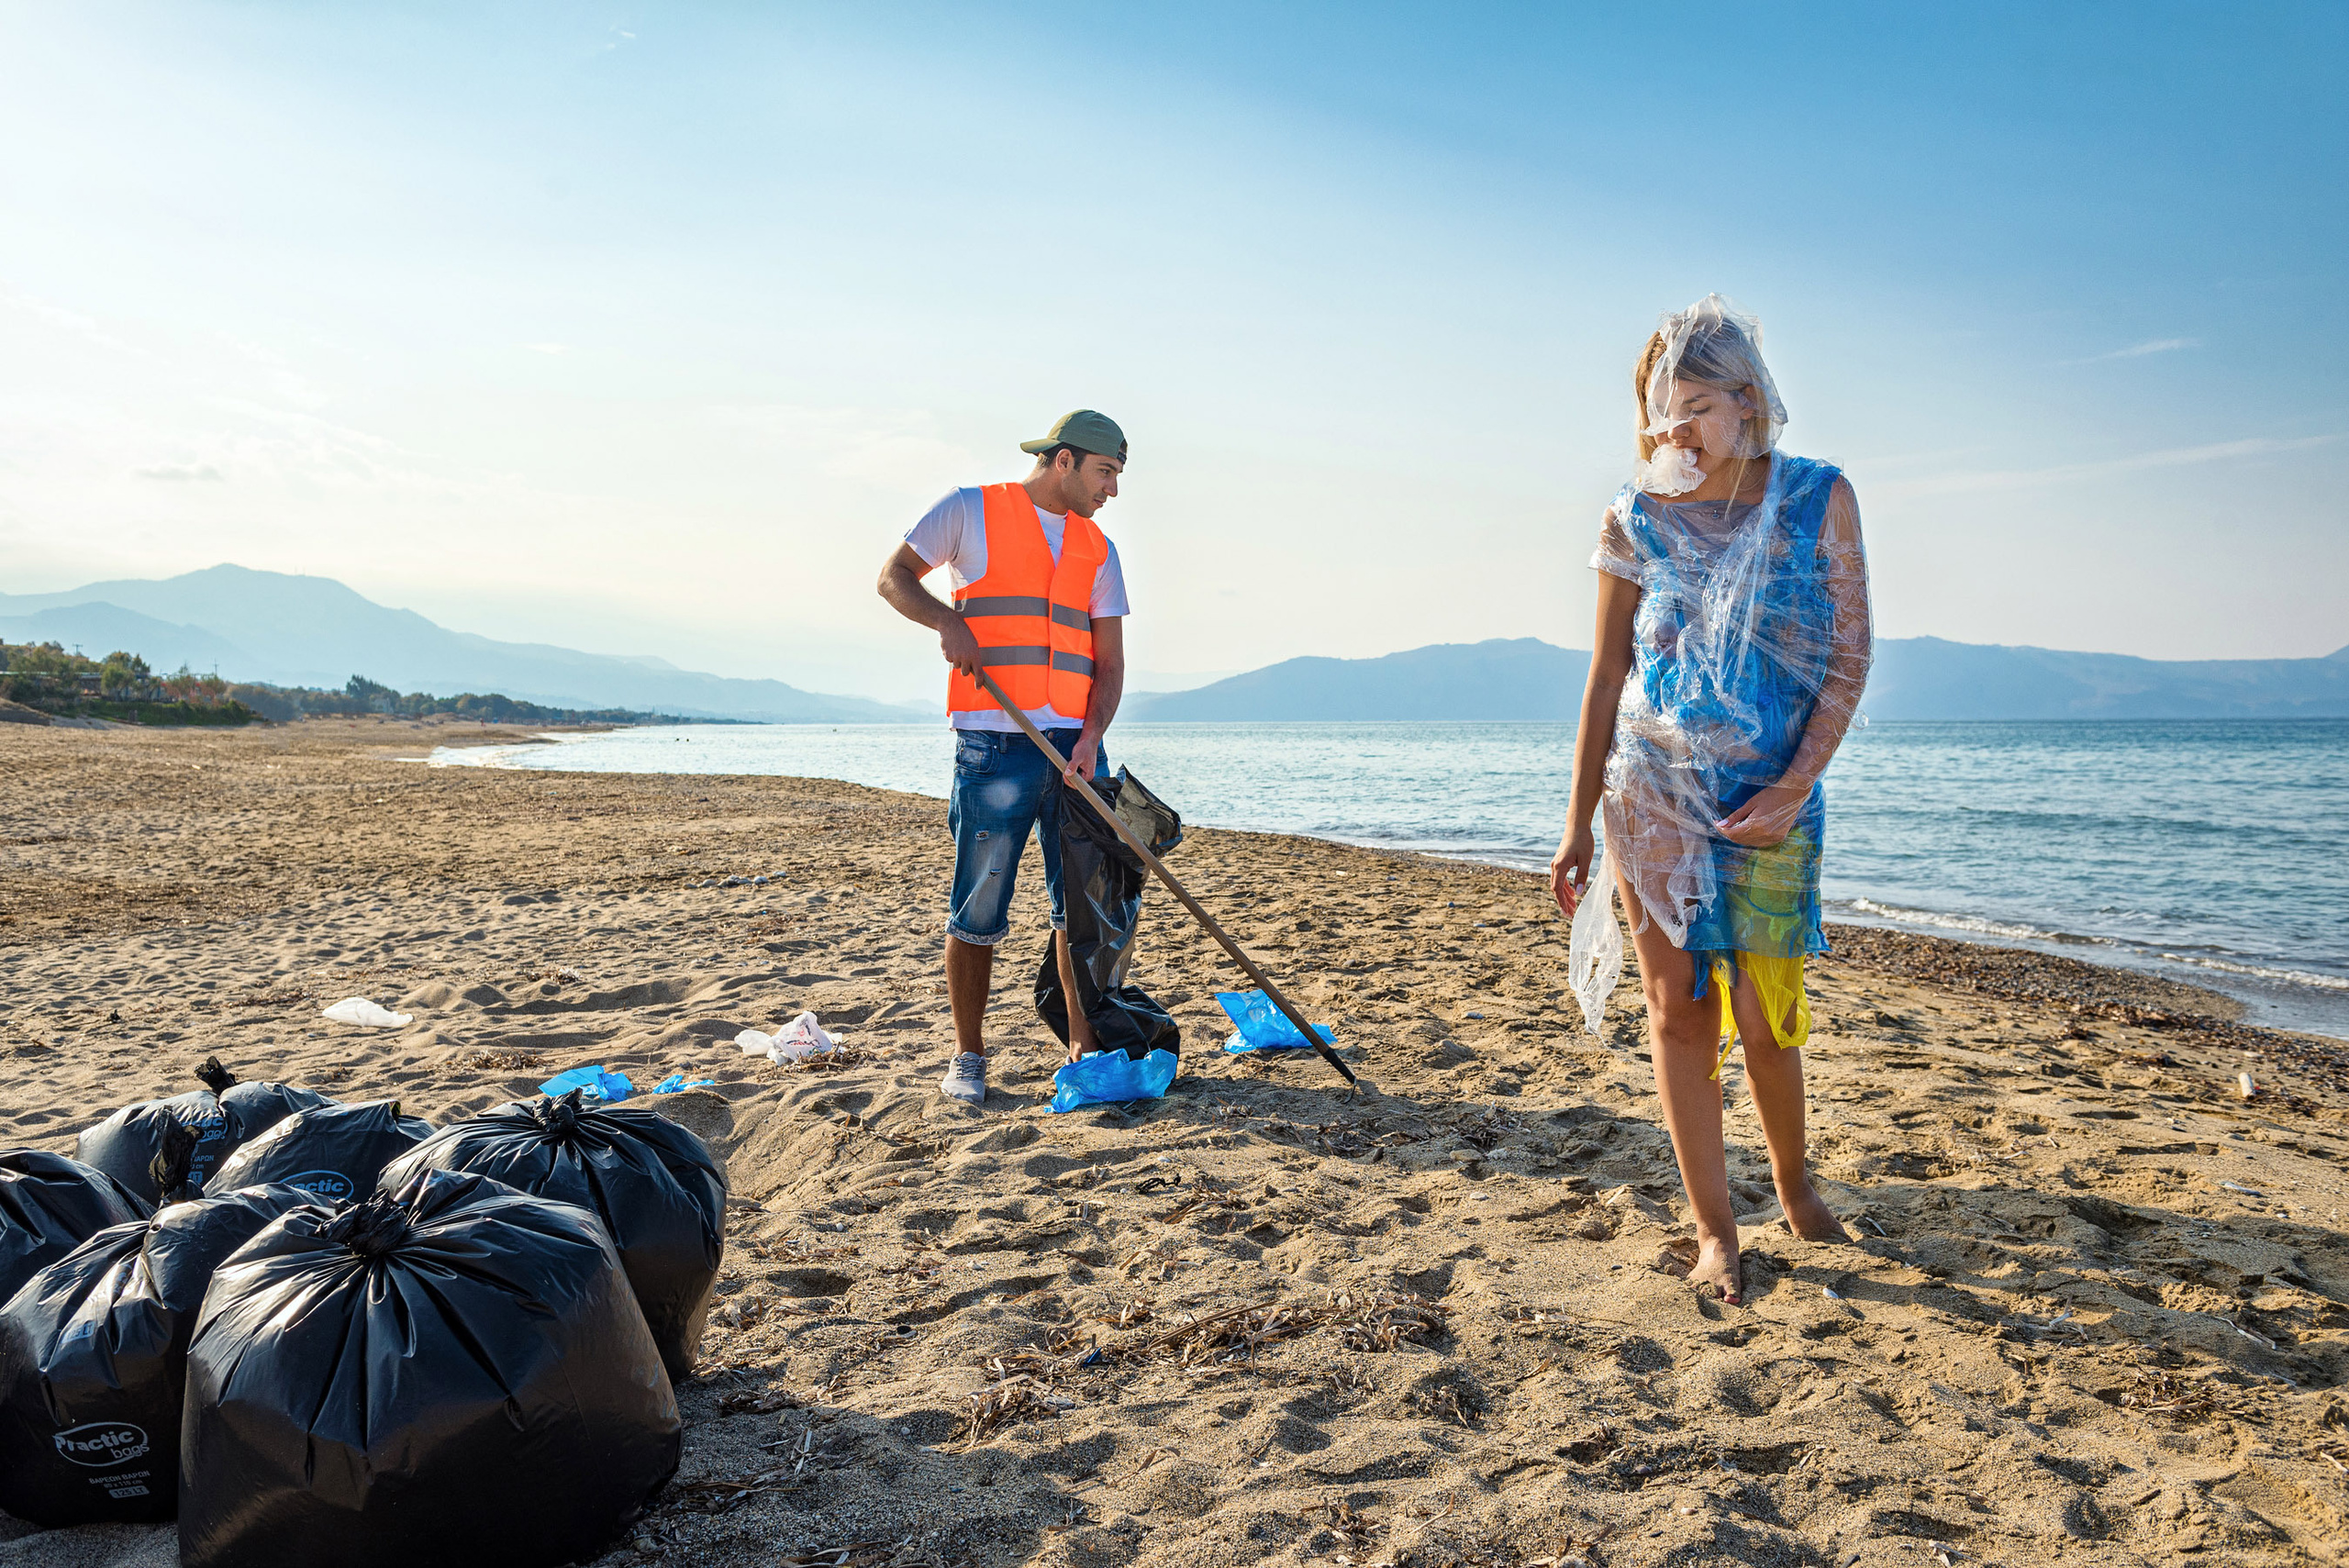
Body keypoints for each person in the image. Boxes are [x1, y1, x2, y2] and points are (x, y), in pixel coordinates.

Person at [1550, 296, 1874, 1305]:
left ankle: (1795, 1187)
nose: (1671, 431)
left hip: (1773, 794)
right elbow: (1605, 675)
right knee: (1679, 1014)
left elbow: (1847, 655)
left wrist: (1790, 787)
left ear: (1747, 401)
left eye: (1691, 407)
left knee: (1769, 1014)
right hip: (1650, 793)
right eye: (1660, 410)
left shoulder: (1819, 496)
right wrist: (1572, 826)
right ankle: (1713, 1230)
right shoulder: (1633, 512)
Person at [876, 410, 1132, 1106]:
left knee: (1077, 905)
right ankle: (967, 1054)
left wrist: (1090, 735)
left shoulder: (1099, 550)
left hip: (1076, 750)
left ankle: (1081, 1043)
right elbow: (893, 577)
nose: (1111, 490)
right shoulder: (969, 510)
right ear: (1065, 461)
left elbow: (1108, 666)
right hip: (994, 742)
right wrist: (947, 620)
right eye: (1106, 472)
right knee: (979, 904)